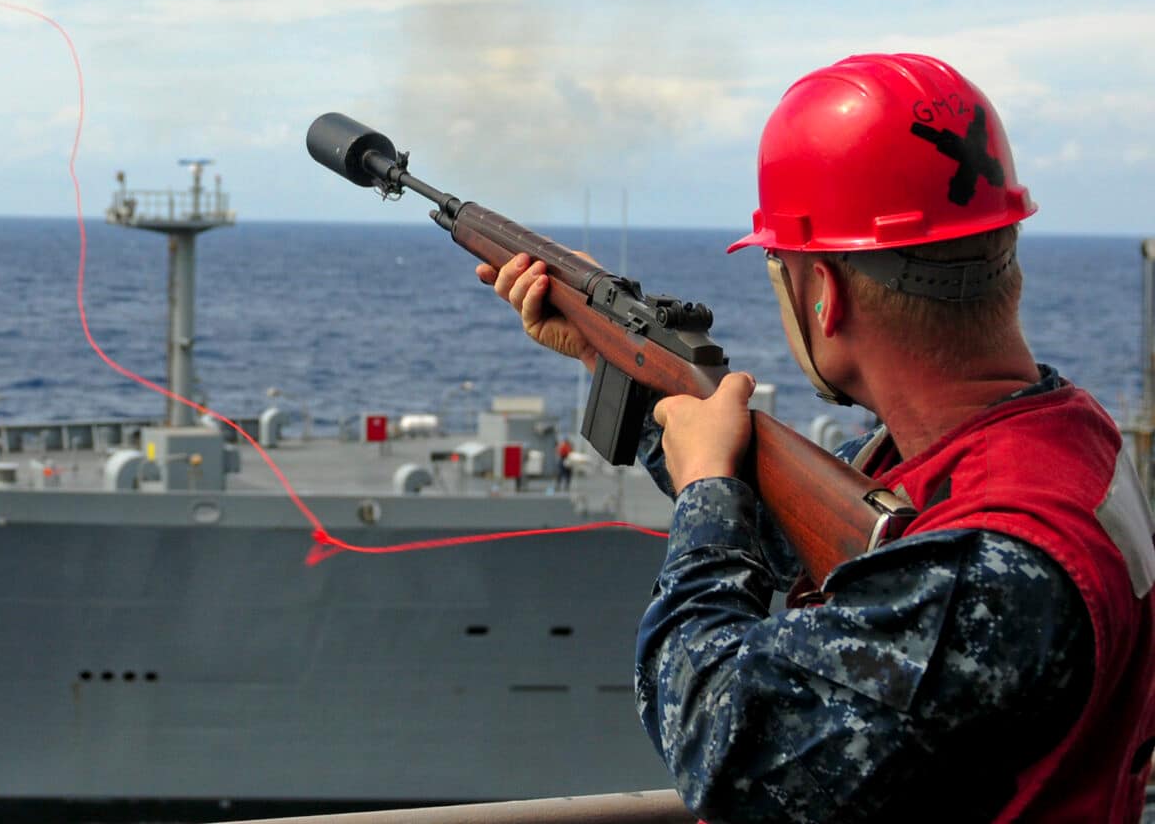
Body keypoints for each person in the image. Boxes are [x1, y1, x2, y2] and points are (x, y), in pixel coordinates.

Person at [476, 54, 1155, 822]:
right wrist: (622, 365)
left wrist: (706, 499)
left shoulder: (985, 567)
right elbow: (849, 554)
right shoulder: (1060, 438)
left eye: (780, 269)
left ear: (824, 293)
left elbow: (721, 744)